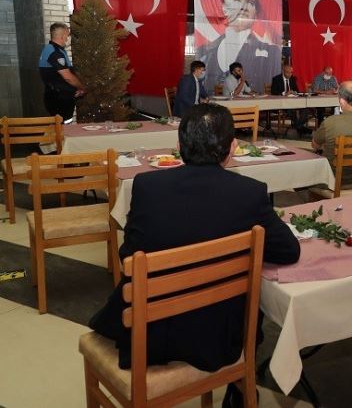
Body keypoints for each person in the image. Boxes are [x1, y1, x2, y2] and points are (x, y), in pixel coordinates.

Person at [88, 104, 300, 405]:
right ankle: (240, 389)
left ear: (179, 146)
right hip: (218, 338)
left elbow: (128, 258)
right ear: (232, 148)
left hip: (149, 336)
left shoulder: (147, 187)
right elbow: (289, 251)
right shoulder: (250, 193)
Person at [196, 0, 282, 96]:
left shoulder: (271, 51)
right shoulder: (205, 53)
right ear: (224, 7)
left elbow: (249, 91)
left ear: (255, 13)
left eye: (250, 2)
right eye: (237, 0)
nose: (244, 7)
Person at [38, 22, 85, 120]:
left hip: (60, 97)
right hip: (60, 99)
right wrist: (82, 87)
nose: (68, 38)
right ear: (63, 36)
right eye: (68, 35)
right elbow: (68, 77)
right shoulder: (54, 52)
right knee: (62, 127)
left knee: (63, 125)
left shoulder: (54, 50)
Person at [271, 64, 308, 133]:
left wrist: (294, 92)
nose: (289, 74)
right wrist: (285, 93)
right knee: (291, 110)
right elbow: (273, 92)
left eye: (291, 72)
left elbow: (297, 91)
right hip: (282, 103)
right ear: (283, 71)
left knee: (305, 108)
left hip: (293, 101)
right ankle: (300, 127)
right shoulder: (276, 79)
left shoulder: (292, 79)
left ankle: (298, 126)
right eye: (288, 72)